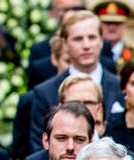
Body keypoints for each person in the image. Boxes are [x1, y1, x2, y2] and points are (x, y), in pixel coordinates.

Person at [27, 9, 125, 147]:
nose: (86, 45)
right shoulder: (44, 92)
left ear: (101, 41)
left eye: (92, 38)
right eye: (78, 39)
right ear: (65, 43)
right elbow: (39, 149)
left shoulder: (122, 87)